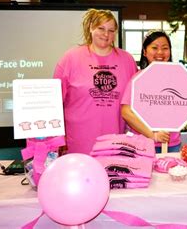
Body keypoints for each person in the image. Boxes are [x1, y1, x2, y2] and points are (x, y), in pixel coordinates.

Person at [54, 9, 138, 154]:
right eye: (101, 28)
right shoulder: (70, 58)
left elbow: (136, 103)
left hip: (114, 143)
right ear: (91, 27)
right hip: (78, 144)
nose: (106, 34)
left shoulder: (127, 60)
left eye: (111, 30)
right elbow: (54, 102)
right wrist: (58, 138)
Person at [121, 30, 181, 153]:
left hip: (171, 144)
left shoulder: (178, 77)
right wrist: (152, 134)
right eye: (154, 47)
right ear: (145, 51)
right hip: (142, 144)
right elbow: (126, 112)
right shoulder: (138, 78)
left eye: (165, 48)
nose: (160, 52)